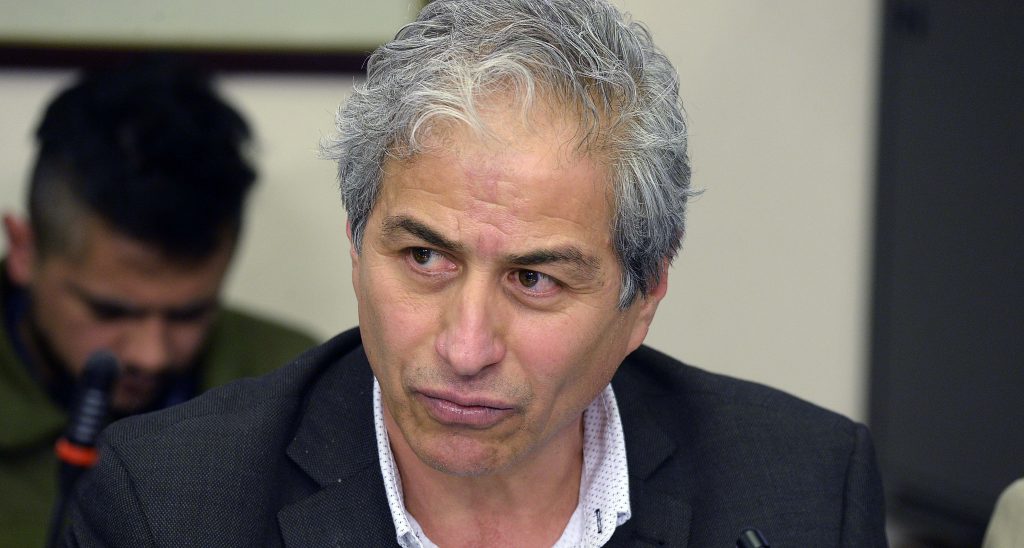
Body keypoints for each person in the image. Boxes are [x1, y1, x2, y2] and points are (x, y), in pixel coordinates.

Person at [62, 1, 887, 546]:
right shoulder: (166, 506)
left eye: (535, 280)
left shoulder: (806, 490)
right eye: (424, 258)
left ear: (644, 298)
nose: (465, 348)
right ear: (357, 246)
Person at [0, 59, 317, 546]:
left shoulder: (295, 384)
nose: (151, 355)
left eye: (189, 314)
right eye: (110, 311)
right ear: (25, 251)